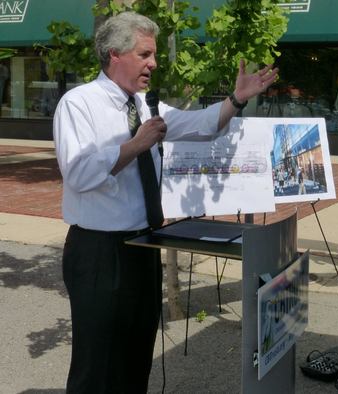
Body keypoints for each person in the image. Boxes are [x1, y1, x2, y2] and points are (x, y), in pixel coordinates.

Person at [53, 12, 277, 393]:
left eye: (153, 55)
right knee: (98, 363)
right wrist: (136, 144)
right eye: (145, 54)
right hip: (99, 252)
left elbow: (200, 126)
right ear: (114, 54)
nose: (153, 64)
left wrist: (236, 99)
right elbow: (77, 172)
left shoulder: (143, 104)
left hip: (144, 245)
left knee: (137, 354)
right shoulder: (79, 104)